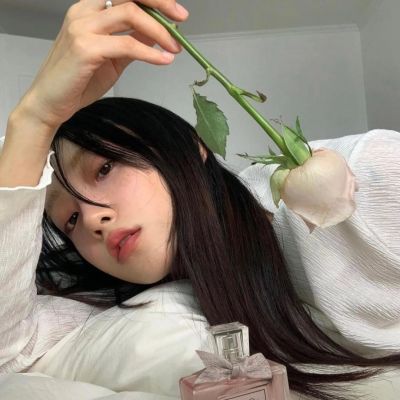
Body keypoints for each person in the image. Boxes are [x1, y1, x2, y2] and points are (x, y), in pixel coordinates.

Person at [1, 1, 400, 399]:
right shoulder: (120, 300)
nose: (92, 220)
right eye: (70, 220)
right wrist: (31, 121)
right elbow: (11, 350)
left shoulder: (356, 178)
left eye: (104, 169)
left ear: (191, 147)